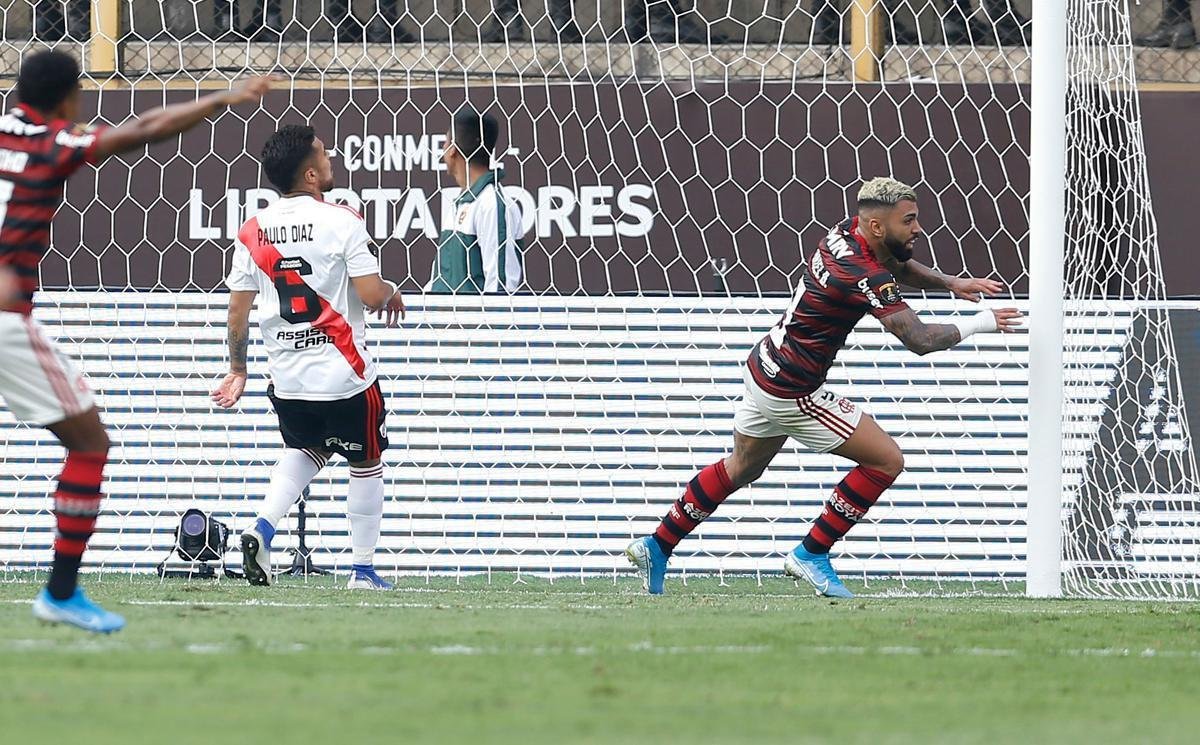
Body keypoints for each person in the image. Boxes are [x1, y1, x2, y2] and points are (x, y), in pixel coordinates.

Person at [626, 177, 1022, 597]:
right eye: (908, 221)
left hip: (764, 365)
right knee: (886, 461)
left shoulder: (845, 232)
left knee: (742, 467)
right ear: (876, 226)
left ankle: (657, 544)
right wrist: (983, 323)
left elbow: (895, 263)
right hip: (793, 391)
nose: (917, 228)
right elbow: (919, 339)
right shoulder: (862, 273)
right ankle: (812, 553)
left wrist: (950, 283)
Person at [0, 49, 270, 632]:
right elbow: (146, 128)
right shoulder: (56, 143)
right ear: (69, 97)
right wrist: (223, 98)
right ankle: (61, 592)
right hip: (4, 320)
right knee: (89, 443)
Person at [213, 125, 406, 591]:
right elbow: (371, 295)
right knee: (366, 462)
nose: (330, 157)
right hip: (346, 376)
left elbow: (237, 311)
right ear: (311, 175)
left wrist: (238, 369)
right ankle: (362, 571)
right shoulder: (343, 220)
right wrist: (391, 291)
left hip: (289, 381)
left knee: (306, 450)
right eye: (323, 153)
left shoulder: (252, 230)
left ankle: (262, 528)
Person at [428, 108, 524, 294]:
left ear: (452, 149)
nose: (443, 147)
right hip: (443, 314)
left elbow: (500, 287)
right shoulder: (463, 201)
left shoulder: (492, 204)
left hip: (472, 315)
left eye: (445, 141)